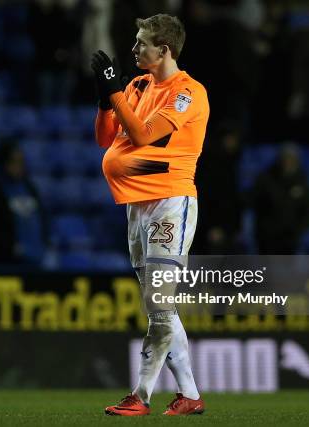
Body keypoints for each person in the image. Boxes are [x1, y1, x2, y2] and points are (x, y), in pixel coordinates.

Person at [91, 14, 208, 416]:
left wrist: (114, 93)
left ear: (166, 50)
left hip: (170, 201)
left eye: (142, 43)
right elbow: (108, 137)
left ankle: (140, 396)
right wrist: (107, 99)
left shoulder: (188, 93)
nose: (135, 49)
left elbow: (142, 135)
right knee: (159, 305)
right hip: (137, 206)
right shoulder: (139, 84)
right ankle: (190, 395)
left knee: (159, 302)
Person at [252, 144, 309, 254]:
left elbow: (308, 209)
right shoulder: (265, 179)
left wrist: (298, 230)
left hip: (290, 239)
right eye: (285, 158)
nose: (288, 162)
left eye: (291, 159)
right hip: (267, 239)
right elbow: (255, 203)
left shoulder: (302, 182)